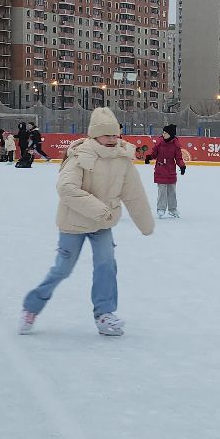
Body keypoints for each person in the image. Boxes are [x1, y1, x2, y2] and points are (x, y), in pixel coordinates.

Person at [19, 106, 155, 337]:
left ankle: (104, 314)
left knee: (106, 266)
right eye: (107, 134)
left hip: (102, 224)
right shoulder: (81, 155)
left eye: (115, 134)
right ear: (94, 135)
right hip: (74, 223)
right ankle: (31, 307)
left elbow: (134, 195)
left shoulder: (122, 159)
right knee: (63, 269)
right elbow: (66, 188)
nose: (112, 139)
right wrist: (100, 210)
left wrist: (146, 224)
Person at [147, 123, 187, 218]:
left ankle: (172, 209)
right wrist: (149, 157)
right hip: (160, 169)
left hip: (170, 170)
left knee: (172, 191)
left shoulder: (176, 145)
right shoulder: (159, 143)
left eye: (165, 133)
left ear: (171, 134)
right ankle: (161, 208)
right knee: (162, 191)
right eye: (163, 132)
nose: (163, 134)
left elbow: (179, 158)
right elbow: (154, 153)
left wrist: (182, 166)